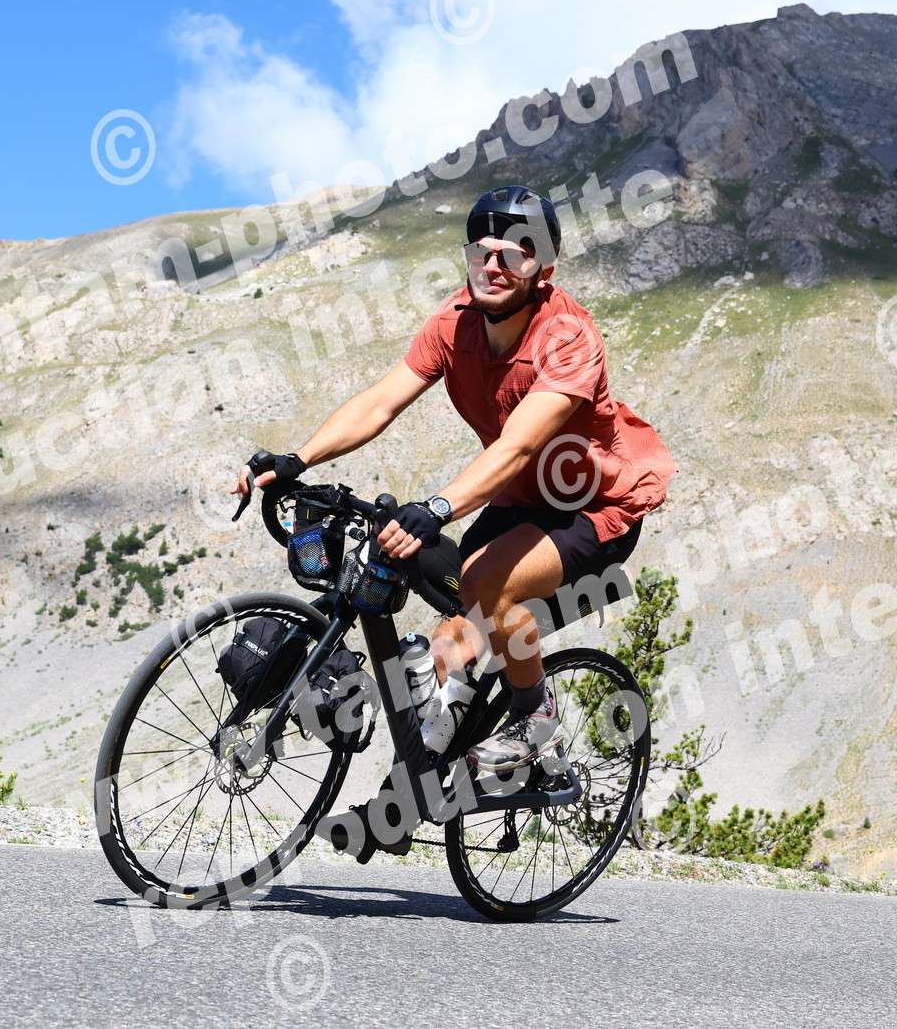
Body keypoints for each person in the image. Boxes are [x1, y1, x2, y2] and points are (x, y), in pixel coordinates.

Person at [233, 184, 675, 775]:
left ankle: (537, 720)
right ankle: (435, 788)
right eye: (480, 253)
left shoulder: (568, 338)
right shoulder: (454, 323)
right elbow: (381, 402)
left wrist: (439, 508)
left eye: (513, 255)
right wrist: (298, 459)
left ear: (543, 270)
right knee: (447, 647)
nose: (492, 267)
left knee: (485, 581)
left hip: (594, 507)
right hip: (516, 499)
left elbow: (518, 446)